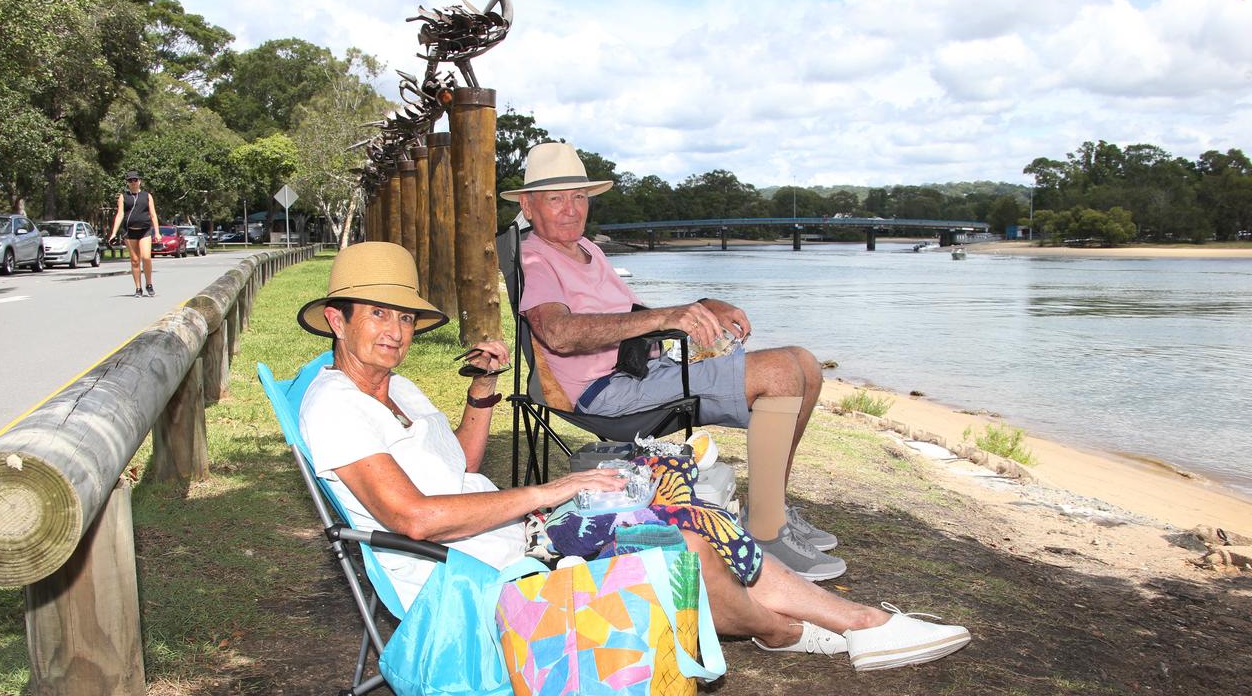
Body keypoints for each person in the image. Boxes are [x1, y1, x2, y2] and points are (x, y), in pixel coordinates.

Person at [297, 242, 970, 671]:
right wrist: (549, 492)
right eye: (376, 315)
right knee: (682, 549)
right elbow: (414, 517)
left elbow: (458, 469)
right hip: (470, 577)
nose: (395, 331)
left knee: (676, 504)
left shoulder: (402, 389)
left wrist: (481, 394)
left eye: (405, 317)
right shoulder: (334, 406)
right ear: (337, 318)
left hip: (503, 538)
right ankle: (796, 628)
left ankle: (851, 621)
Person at [506, 142, 839, 580]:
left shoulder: (587, 249)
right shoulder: (537, 258)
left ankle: (769, 506)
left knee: (805, 364)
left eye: (580, 197)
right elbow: (557, 333)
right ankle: (764, 534)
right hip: (607, 392)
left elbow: (632, 318)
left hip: (646, 371)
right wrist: (667, 317)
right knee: (779, 372)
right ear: (528, 206)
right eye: (556, 198)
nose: (571, 209)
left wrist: (701, 304)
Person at [108, 170, 161, 297]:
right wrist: (113, 233)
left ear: (139, 181)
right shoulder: (123, 197)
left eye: (135, 180)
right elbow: (120, 214)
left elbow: (153, 215)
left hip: (145, 231)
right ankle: (138, 288)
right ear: (127, 183)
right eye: (130, 181)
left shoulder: (147, 196)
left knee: (146, 257)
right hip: (129, 231)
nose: (133, 183)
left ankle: (149, 284)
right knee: (135, 260)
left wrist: (157, 232)